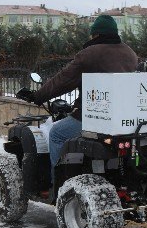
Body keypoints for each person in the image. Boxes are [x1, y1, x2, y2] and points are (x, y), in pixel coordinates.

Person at [29, 15, 138, 184]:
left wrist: (38, 96)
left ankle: (60, 182)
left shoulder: (90, 54)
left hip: (94, 117)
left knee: (56, 134)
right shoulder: (130, 53)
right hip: (126, 117)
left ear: (96, 35)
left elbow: (63, 80)